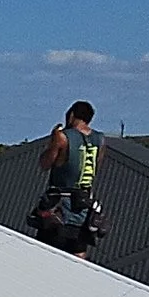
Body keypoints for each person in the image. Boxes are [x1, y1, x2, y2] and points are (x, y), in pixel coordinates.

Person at [31, 100, 102, 253]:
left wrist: (53, 140)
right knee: (78, 254)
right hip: (84, 208)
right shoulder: (100, 140)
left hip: (60, 207)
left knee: (46, 252)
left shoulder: (63, 137)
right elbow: (96, 165)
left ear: (71, 115)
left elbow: (45, 163)